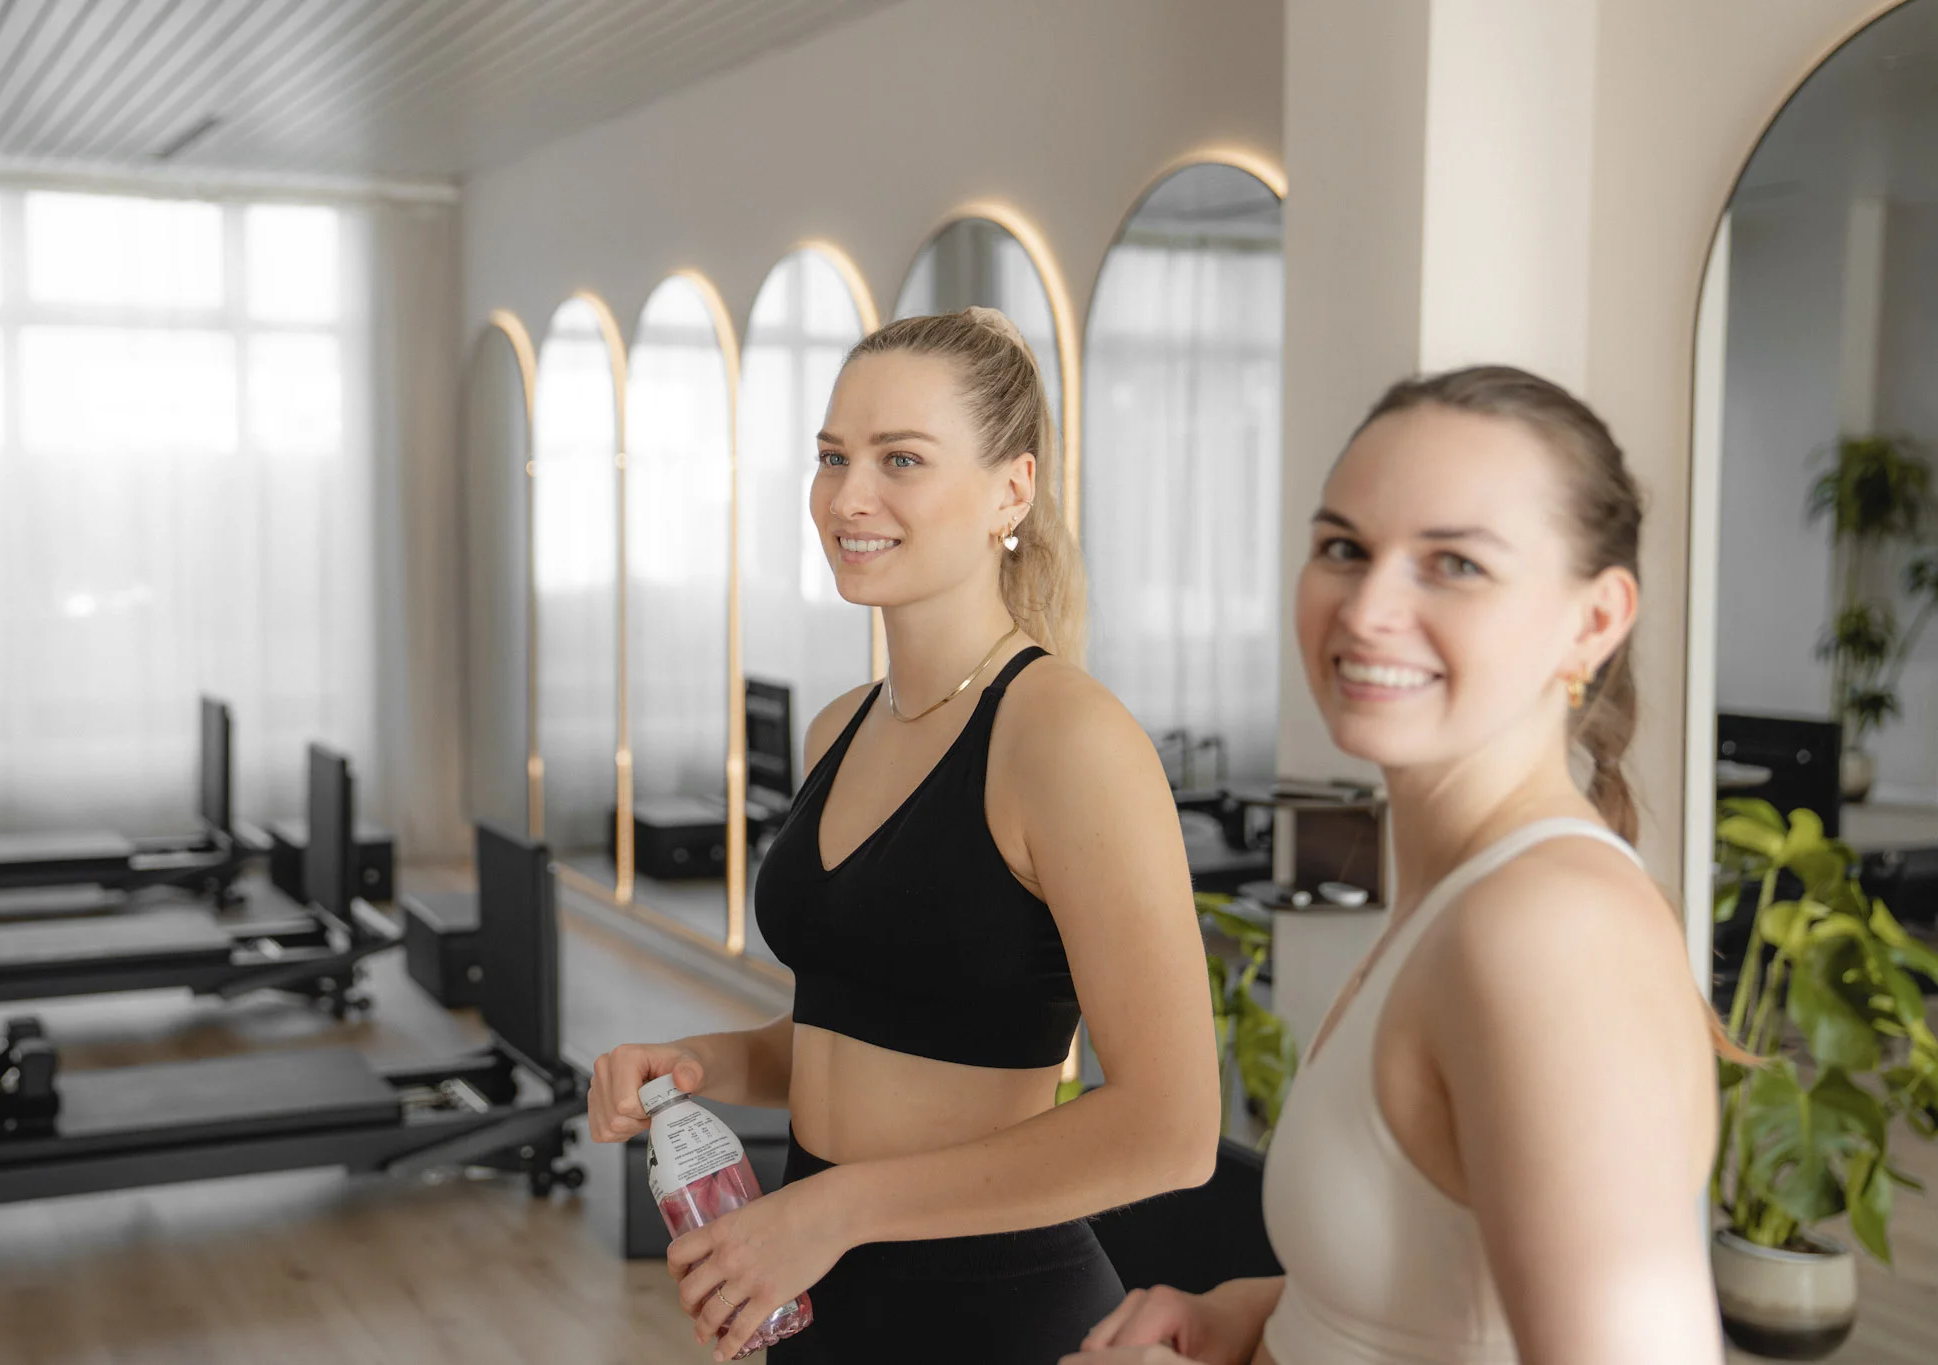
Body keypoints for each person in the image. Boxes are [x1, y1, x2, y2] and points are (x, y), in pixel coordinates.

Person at [590, 307, 1220, 1364]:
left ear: (1010, 490)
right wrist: (703, 1062)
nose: (848, 496)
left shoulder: (1066, 738)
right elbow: (876, 1033)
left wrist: (833, 1212)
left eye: (901, 460)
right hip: (815, 1299)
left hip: (994, 1312)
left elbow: (1171, 1130)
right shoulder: (844, 724)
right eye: (832, 456)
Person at [1068, 366, 1730, 1365]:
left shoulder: (1546, 933)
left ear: (1592, 620)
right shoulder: (1463, 898)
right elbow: (1438, 1291)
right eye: (1342, 547)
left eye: (1453, 564)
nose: (1367, 608)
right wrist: (1258, 1315)